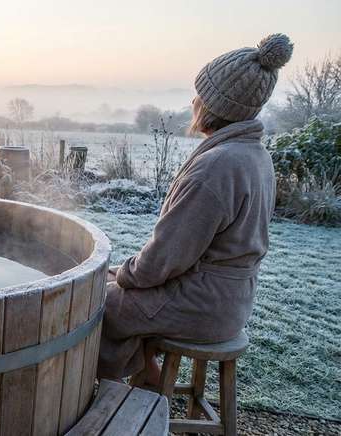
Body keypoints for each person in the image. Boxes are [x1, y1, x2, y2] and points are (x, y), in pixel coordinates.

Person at [97, 34, 294, 384]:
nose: (193, 101)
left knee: (95, 306)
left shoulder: (216, 167)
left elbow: (163, 260)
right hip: (231, 298)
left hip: (202, 303)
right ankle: (148, 381)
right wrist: (119, 273)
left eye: (199, 95)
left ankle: (119, 396)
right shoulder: (256, 156)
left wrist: (125, 276)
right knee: (110, 282)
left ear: (214, 105)